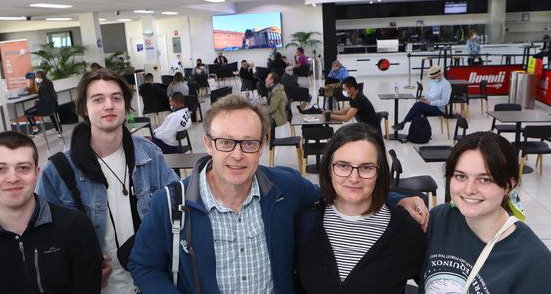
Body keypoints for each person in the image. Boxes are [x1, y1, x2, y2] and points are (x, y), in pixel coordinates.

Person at [128, 94, 429, 293]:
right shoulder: (171, 203)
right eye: (225, 143)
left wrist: (394, 198)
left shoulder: (284, 188)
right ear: (207, 144)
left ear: (263, 145)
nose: (237, 155)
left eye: (249, 143)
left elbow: (336, 191)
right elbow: (144, 265)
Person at [36, 69, 178, 294]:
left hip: (151, 282)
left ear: (126, 105)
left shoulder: (150, 156)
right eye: (98, 99)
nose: (109, 105)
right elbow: (42, 240)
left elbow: (177, 211)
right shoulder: (57, 171)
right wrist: (77, 268)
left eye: (116, 98)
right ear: (84, 108)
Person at [0, 131, 102, 293]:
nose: (12, 178)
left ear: (36, 173)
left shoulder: (76, 228)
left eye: (23, 167)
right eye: (0, 169)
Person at [421, 132, 551, 293]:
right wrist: (400, 201)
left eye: (485, 179)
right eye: (461, 176)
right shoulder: (439, 220)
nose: (469, 189)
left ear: (508, 185)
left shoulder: (535, 263)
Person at [296, 123, 426, 293]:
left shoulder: (406, 229)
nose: (354, 178)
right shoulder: (306, 222)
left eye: (366, 168)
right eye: (343, 166)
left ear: (379, 173)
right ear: (329, 168)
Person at [393, 66, 451, 130]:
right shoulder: (433, 82)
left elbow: (445, 101)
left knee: (417, 106)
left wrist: (430, 102)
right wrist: (424, 98)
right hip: (429, 104)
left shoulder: (446, 85)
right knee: (417, 110)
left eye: (433, 78)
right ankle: (416, 132)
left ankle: (403, 124)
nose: (432, 79)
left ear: (439, 75)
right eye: (432, 78)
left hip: (438, 109)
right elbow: (428, 93)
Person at [25, 70, 62, 137]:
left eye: (37, 77)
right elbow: (47, 95)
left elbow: (45, 98)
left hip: (44, 110)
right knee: (53, 116)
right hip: (53, 107)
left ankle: (35, 129)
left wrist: (37, 103)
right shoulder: (49, 82)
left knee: (27, 112)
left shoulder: (41, 86)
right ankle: (59, 130)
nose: (36, 78)